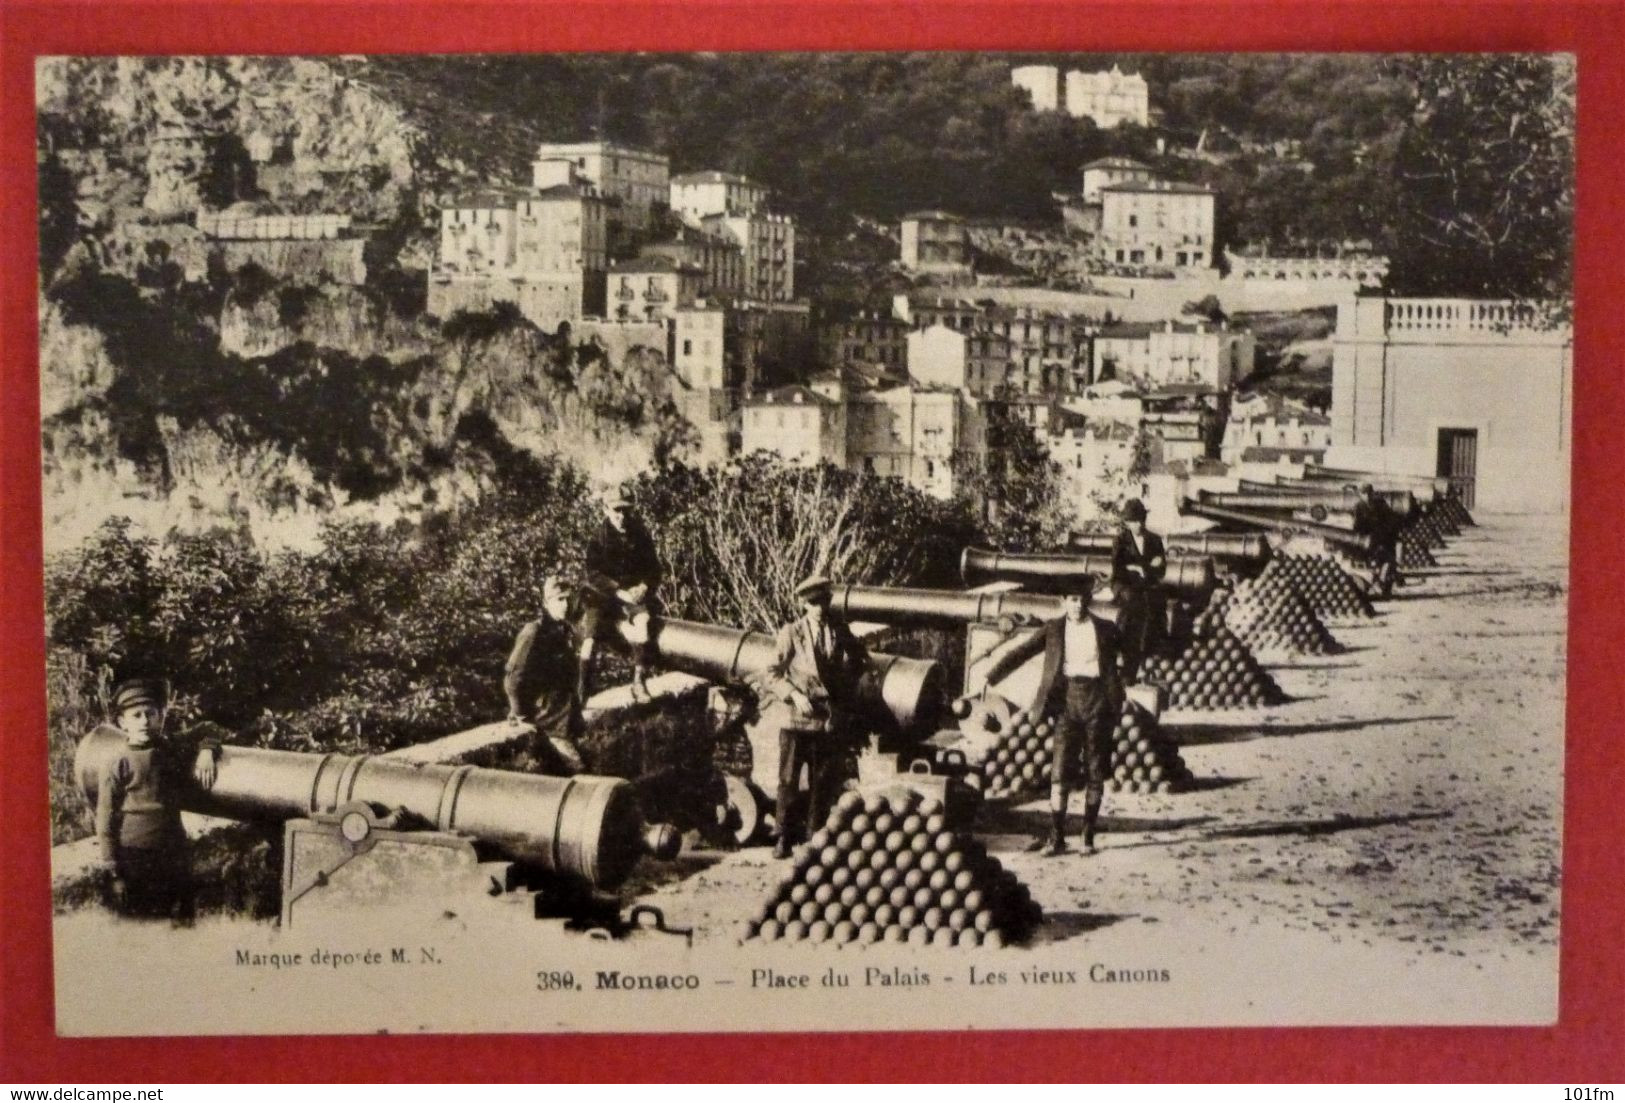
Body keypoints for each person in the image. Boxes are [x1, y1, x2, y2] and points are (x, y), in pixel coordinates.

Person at [92, 678, 220, 921]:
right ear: (122, 722)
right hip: (136, 859)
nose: (144, 721)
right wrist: (113, 871)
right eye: (136, 715)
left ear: (160, 717)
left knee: (183, 921)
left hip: (173, 851)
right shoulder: (117, 762)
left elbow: (209, 728)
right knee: (145, 925)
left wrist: (207, 751)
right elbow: (105, 819)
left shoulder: (169, 747)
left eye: (150, 714)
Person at [764, 575, 870, 859]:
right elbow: (771, 673)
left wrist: (845, 689)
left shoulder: (839, 631)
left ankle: (814, 836)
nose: (819, 608)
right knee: (788, 780)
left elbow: (861, 659)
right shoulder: (791, 632)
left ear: (829, 601)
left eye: (823, 601)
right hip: (796, 718)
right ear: (804, 604)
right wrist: (794, 695)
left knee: (820, 781)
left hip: (826, 718)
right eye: (813, 603)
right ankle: (783, 836)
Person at [1024, 576, 1125, 857]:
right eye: (1071, 600)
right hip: (1067, 703)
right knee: (1059, 773)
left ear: (1087, 602)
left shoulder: (1105, 629)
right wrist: (992, 674)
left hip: (1097, 702)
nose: (1077, 605)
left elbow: (1129, 649)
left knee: (1095, 771)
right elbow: (1025, 650)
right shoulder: (1054, 629)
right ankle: (1057, 837)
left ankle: (1088, 834)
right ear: (1063, 602)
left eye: (1081, 600)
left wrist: (1121, 687)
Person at [579, 492, 663, 701]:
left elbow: (654, 569)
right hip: (602, 596)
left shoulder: (640, 536)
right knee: (590, 641)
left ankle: (638, 682)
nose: (622, 515)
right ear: (606, 510)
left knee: (643, 624)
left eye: (626, 510)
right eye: (617, 510)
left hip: (632, 596)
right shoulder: (598, 538)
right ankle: (581, 690)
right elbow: (593, 574)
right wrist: (617, 591)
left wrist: (644, 586)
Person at [503, 575, 588, 775]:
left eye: (568, 598)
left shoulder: (565, 629)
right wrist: (521, 713)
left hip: (564, 718)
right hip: (548, 720)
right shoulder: (534, 632)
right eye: (559, 599)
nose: (565, 605)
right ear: (546, 602)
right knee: (581, 775)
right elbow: (513, 680)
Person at [1110, 498, 1166, 684]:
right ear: (1127, 523)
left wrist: (1148, 569)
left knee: (1155, 607)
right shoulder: (1121, 541)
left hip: (1146, 585)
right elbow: (1117, 569)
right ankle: (1125, 664)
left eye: (1141, 519)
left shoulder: (1154, 540)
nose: (1139, 524)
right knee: (1131, 608)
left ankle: (1147, 659)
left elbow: (1161, 569)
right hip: (1124, 584)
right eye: (1134, 521)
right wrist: (1135, 569)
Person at [1351, 483, 1401, 596]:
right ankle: (1375, 583)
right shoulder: (1358, 507)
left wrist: (1386, 532)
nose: (1367, 496)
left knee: (1388, 560)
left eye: (1369, 493)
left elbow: (1390, 519)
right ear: (1360, 494)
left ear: (1372, 493)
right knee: (1367, 562)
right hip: (1367, 539)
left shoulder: (1380, 504)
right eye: (1364, 494)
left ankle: (1384, 584)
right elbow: (1356, 526)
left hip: (1382, 537)